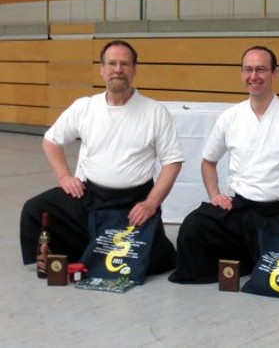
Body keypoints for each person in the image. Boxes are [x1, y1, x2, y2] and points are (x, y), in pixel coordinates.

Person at [20, 40, 183, 275]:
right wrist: (65, 177)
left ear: (134, 69)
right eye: (112, 63)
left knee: (154, 260)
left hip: (134, 203)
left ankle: (99, 248)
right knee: (36, 208)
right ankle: (80, 252)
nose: (118, 69)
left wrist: (151, 203)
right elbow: (51, 141)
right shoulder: (85, 107)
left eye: (124, 64)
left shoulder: (154, 111)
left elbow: (172, 162)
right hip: (91, 197)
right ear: (102, 69)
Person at [168, 45, 279, 283]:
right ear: (242, 74)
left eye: (261, 70)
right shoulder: (231, 117)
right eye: (248, 70)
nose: (254, 76)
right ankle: (250, 260)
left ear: (274, 74)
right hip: (239, 211)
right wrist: (215, 194)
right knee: (192, 228)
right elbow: (208, 162)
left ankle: (255, 259)